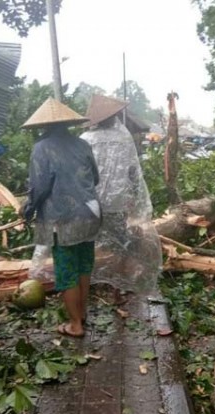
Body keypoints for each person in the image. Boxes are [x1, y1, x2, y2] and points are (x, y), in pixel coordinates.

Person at [21, 97, 101, 337]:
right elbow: (95, 178)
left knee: (66, 272)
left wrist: (28, 208)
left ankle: (75, 325)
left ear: (43, 126)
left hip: (62, 218)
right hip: (90, 213)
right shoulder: (83, 145)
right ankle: (82, 313)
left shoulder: (41, 148)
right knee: (83, 266)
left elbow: (39, 187)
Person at [80, 94, 162, 304]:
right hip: (117, 204)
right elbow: (133, 172)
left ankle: (88, 288)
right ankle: (117, 290)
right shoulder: (123, 139)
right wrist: (135, 196)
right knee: (119, 244)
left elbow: (80, 173)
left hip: (90, 203)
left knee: (88, 244)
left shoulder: (84, 140)